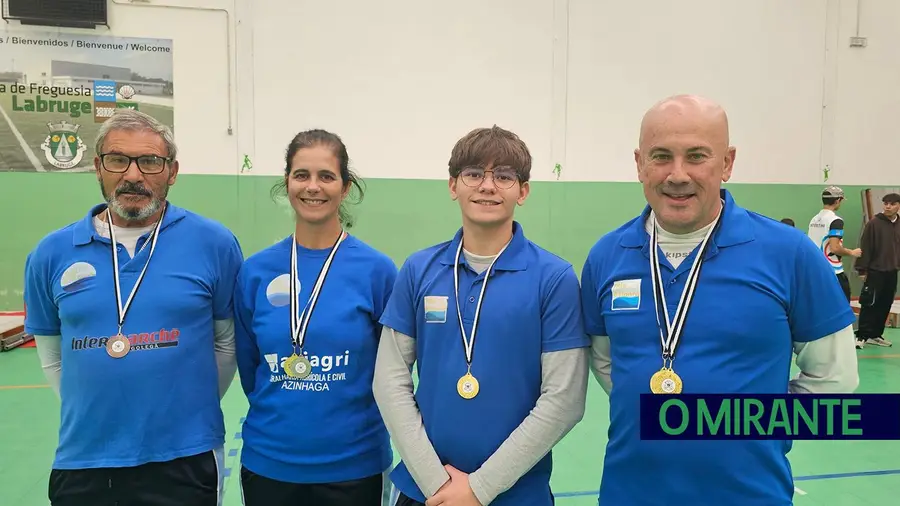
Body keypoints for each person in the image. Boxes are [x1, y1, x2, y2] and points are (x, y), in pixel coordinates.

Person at [580, 95, 860, 506]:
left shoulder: (789, 255)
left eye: (697, 156)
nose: (678, 175)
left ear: (727, 163)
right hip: (629, 492)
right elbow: (607, 364)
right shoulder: (606, 256)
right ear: (639, 163)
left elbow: (835, 382)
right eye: (661, 156)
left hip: (750, 494)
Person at [23, 108, 243, 506]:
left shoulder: (214, 243)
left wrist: (184, 409)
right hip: (83, 458)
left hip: (186, 457)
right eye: (118, 159)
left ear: (171, 172)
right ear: (98, 167)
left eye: (150, 161)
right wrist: (98, 413)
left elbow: (226, 345)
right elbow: (53, 359)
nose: (133, 175)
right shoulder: (50, 254)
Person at [373, 125, 590, 506]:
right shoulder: (419, 270)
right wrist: (437, 483)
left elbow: (564, 400)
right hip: (425, 492)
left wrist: (479, 488)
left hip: (516, 495)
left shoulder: (554, 279)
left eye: (504, 176)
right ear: (453, 185)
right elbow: (389, 381)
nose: (487, 186)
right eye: (474, 173)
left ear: (523, 191)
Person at [233, 129, 397, 506]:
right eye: (301, 175)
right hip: (270, 464)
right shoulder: (256, 271)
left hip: (355, 467)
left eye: (326, 176)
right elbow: (249, 364)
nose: (313, 187)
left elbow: (391, 371)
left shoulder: (377, 272)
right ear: (287, 182)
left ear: (345, 186)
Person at [853, 192, 900, 348]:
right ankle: (862, 335)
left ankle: (875, 334)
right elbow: (865, 246)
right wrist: (862, 269)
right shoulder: (874, 223)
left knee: (885, 303)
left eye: (892, 204)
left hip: (892, 271)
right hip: (875, 271)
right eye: (886, 203)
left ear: (898, 206)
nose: (888, 206)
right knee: (869, 303)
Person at [807, 186, 861, 305]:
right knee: (842, 306)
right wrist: (852, 252)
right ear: (838, 201)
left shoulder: (814, 219)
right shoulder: (835, 221)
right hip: (833, 272)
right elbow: (835, 247)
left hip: (815, 270)